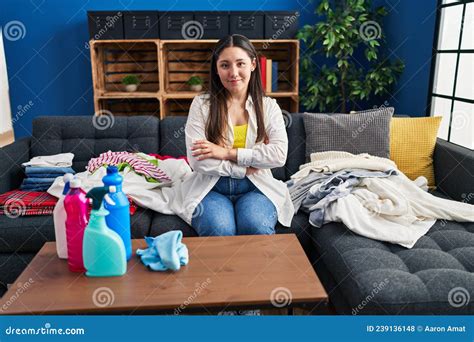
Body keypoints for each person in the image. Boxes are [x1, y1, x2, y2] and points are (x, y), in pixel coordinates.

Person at [172, 34, 294, 236]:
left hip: (256, 186)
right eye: (225, 65)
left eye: (240, 64)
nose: (234, 73)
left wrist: (226, 153)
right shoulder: (201, 105)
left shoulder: (269, 107)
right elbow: (198, 162)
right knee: (219, 229)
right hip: (211, 188)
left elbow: (279, 155)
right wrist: (245, 167)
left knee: (255, 226)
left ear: (253, 64)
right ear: (216, 68)